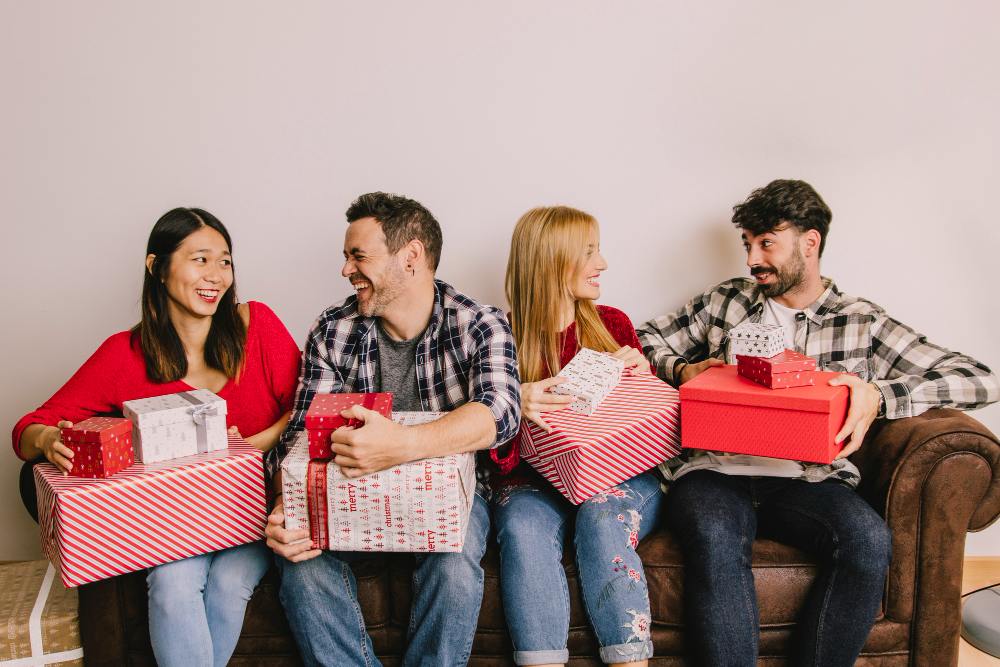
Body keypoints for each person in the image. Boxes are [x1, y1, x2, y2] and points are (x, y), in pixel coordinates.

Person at [637, 179, 1000, 667]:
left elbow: (980, 379)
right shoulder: (726, 301)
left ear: (810, 242)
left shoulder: (862, 320)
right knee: (714, 539)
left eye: (766, 243)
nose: (752, 259)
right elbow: (642, 338)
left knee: (868, 543)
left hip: (808, 478)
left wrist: (880, 393)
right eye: (748, 244)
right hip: (713, 472)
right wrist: (682, 369)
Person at [12, 207, 301, 667]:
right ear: (157, 268)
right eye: (200, 259)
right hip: (177, 520)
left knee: (229, 584)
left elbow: (304, 410)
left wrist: (247, 447)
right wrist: (48, 439)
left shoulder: (257, 326)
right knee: (171, 581)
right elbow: (27, 427)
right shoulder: (122, 356)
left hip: (253, 509)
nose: (216, 275)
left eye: (225, 261)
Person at [263, 191, 521, 667]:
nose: (346, 270)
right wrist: (286, 503)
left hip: (452, 500)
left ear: (411, 257)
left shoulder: (480, 325)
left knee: (455, 565)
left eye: (358, 256)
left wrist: (401, 445)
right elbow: (296, 441)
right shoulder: (333, 330)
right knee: (299, 564)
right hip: (344, 493)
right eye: (345, 257)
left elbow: (500, 413)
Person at [492, 205, 659, 667]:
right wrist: (512, 405)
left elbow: (648, 433)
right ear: (551, 260)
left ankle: (630, 662)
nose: (602, 264)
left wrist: (642, 380)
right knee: (522, 527)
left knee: (601, 518)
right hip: (531, 483)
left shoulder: (614, 325)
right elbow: (493, 459)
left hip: (618, 479)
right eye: (589, 252)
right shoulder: (499, 339)